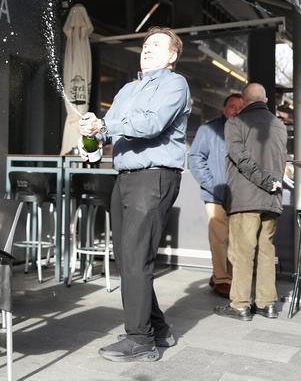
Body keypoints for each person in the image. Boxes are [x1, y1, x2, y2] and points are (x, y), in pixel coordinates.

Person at [78, 26, 191, 362]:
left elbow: (151, 124)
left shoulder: (175, 84)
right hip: (125, 178)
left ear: (172, 56)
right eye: (145, 44)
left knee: (135, 258)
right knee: (129, 259)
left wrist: (104, 126)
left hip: (154, 177)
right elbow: (108, 131)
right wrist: (93, 140)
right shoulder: (128, 89)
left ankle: (140, 339)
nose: (147, 48)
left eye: (156, 44)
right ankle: (157, 328)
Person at [214, 83, 286, 321]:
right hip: (272, 199)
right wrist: (271, 184)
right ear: (265, 100)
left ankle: (241, 305)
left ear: (243, 102)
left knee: (242, 253)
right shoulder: (279, 126)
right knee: (266, 251)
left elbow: (241, 159)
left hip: (246, 199)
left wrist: (264, 181)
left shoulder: (235, 123)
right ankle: (268, 304)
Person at [188, 93, 244, 298]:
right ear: (224, 109)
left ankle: (224, 276)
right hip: (215, 194)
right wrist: (214, 186)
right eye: (232, 106)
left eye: (241, 107)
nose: (236, 110)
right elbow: (195, 159)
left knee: (236, 239)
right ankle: (222, 280)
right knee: (219, 238)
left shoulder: (247, 130)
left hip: (240, 195)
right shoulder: (208, 129)